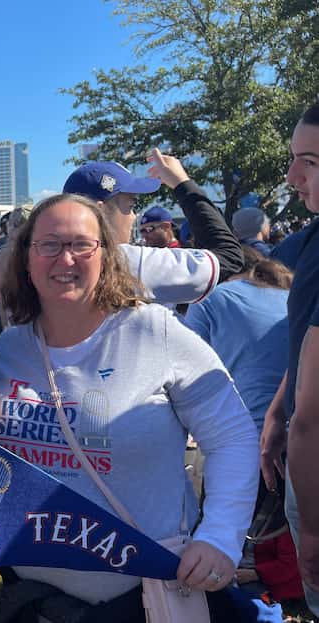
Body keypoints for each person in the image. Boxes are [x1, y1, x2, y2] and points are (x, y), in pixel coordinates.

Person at [0, 193, 258, 620]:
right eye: (50, 244)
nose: (66, 259)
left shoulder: (155, 333)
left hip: (144, 599)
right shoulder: (9, 349)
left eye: (82, 244)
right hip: (33, 600)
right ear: (26, 258)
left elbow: (233, 436)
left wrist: (221, 538)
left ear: (107, 255)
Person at [260, 100, 319, 615]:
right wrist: (280, 408)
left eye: (312, 162)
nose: (292, 174)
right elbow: (305, 344)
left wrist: (314, 529)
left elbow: (313, 418)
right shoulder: (313, 238)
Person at [63, 151, 244, 304]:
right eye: (130, 205)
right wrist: (182, 183)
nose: (134, 216)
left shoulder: (45, 260)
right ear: (99, 213)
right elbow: (230, 257)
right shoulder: (128, 262)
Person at [184, 248, 291, 433]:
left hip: (253, 432)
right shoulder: (292, 295)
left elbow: (186, 372)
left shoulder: (211, 298)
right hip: (305, 430)